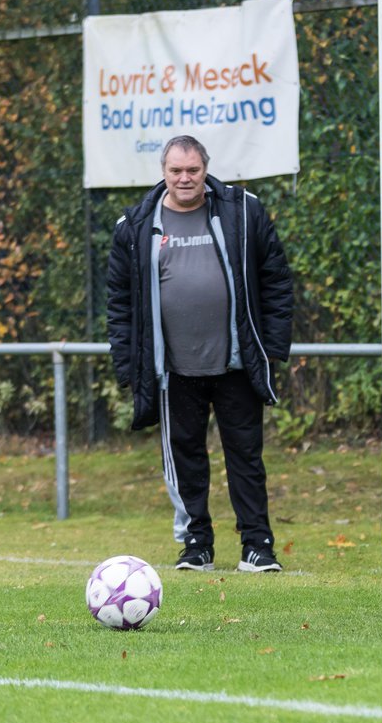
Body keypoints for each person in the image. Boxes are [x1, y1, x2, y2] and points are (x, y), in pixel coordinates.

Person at [106, 135, 294, 573]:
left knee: (246, 457)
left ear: (205, 169)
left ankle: (257, 546)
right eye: (176, 171)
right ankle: (196, 545)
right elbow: (119, 302)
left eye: (192, 170)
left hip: (236, 363)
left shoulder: (243, 211)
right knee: (185, 459)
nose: (184, 178)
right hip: (172, 371)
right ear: (164, 171)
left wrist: (272, 349)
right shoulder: (134, 225)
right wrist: (127, 365)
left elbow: (277, 279)